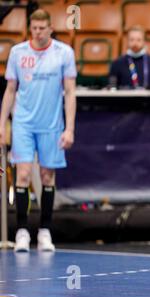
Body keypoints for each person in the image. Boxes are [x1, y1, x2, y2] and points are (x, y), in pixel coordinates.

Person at [0, 9, 77, 252]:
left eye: (42, 28)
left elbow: (70, 92)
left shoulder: (64, 53)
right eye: (34, 28)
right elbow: (10, 90)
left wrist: (69, 128)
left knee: (47, 177)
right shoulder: (18, 52)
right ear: (30, 28)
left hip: (51, 124)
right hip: (23, 122)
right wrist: (2, 124)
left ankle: (45, 231)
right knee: (22, 175)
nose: (37, 32)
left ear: (50, 28)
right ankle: (22, 230)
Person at [109, 25, 150, 89]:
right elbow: (112, 88)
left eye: (139, 40)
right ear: (127, 41)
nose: (135, 43)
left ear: (144, 41)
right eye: (132, 40)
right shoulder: (117, 63)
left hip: (149, 98)